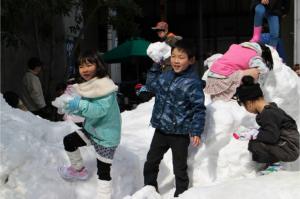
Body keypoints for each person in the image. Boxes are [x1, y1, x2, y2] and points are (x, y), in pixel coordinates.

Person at [143, 40, 206, 197]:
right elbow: (151, 86)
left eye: (181, 57)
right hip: (161, 130)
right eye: (173, 56)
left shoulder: (193, 83)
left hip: (180, 133)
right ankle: (149, 191)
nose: (176, 61)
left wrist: (196, 130)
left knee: (179, 167)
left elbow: (198, 109)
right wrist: (156, 66)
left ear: (191, 60)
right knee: (151, 163)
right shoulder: (165, 75)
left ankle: (181, 194)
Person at [57, 50, 121, 199]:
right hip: (92, 129)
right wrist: (72, 107)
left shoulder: (105, 87)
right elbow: (87, 111)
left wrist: (78, 104)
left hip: (106, 136)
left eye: (89, 65)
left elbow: (98, 111)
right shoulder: (89, 85)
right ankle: (78, 169)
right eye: (81, 66)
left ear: (98, 65)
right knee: (69, 141)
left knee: (103, 171)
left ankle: (104, 196)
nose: (84, 69)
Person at [233, 76, 299, 175]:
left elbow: (272, 137)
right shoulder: (270, 110)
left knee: (255, 144)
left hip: (290, 148)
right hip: (291, 145)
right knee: (258, 140)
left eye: (244, 106)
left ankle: (275, 165)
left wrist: (255, 135)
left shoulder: (267, 114)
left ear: (249, 103)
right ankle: (274, 163)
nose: (246, 109)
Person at [204, 41, 273, 101]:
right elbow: (263, 70)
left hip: (211, 78)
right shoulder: (254, 56)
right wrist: (261, 88)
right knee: (255, 71)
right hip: (223, 79)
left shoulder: (235, 46)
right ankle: (249, 94)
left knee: (244, 70)